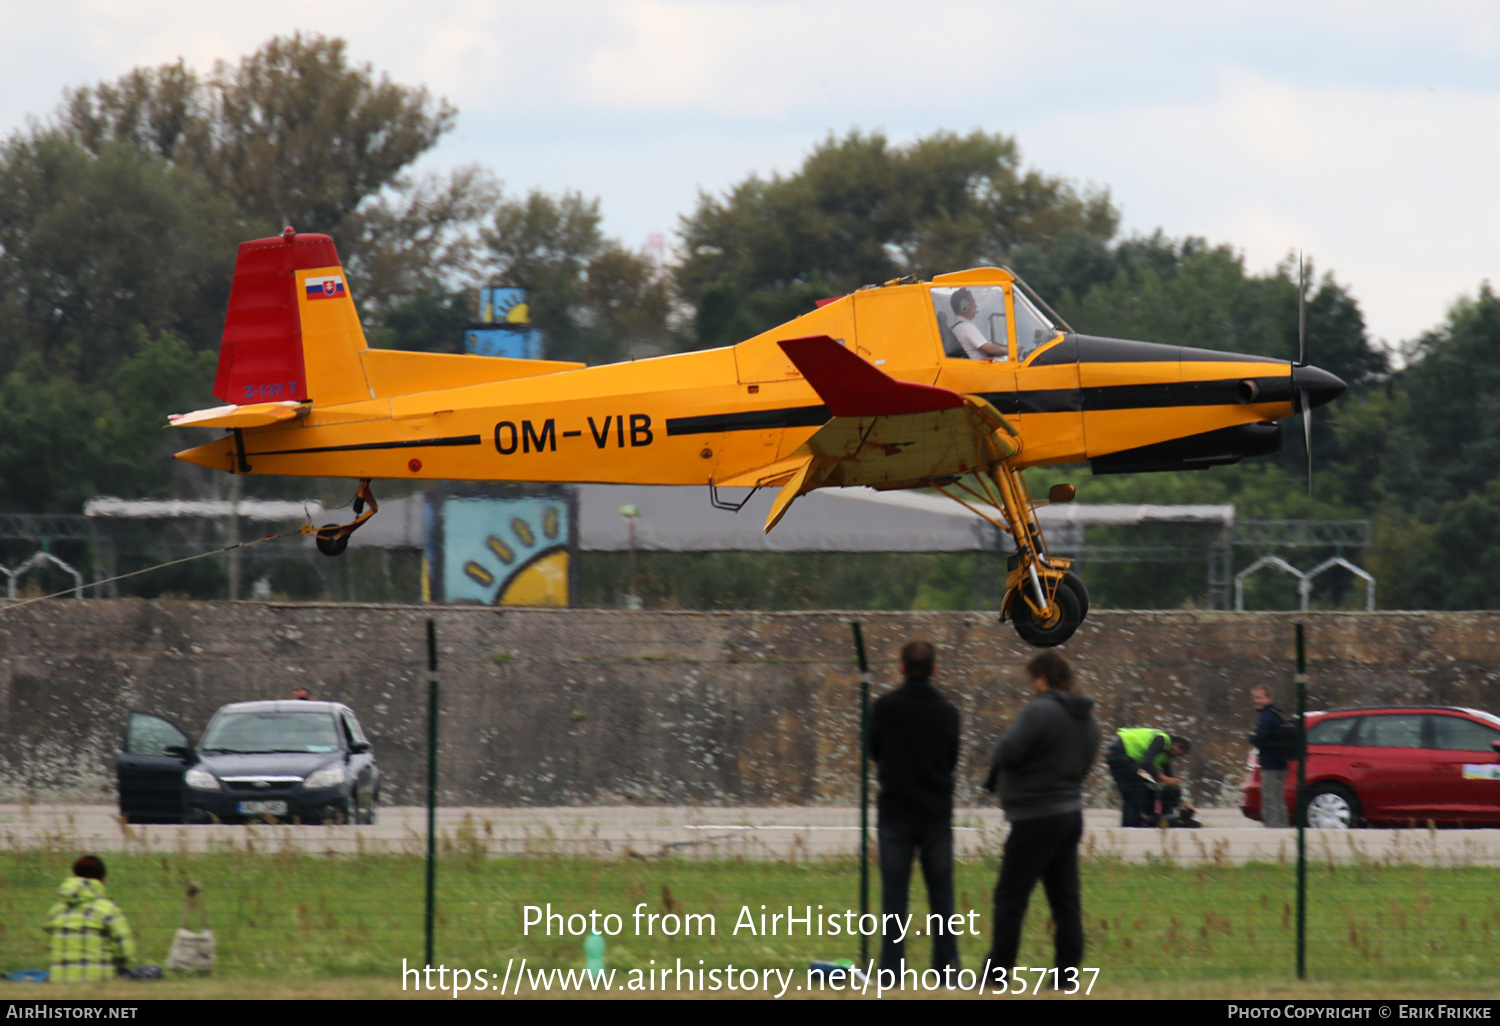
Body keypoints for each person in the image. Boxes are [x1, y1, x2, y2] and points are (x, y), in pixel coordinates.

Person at [984, 650, 1101, 982]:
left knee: (1011, 897)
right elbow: (1087, 760)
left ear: (1042, 677)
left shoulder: (1040, 711)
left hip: (1034, 816)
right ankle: (1066, 973)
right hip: (1069, 812)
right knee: (1065, 900)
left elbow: (1008, 750)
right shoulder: (1088, 718)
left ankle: (998, 972)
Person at [869, 640, 962, 976]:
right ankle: (947, 969)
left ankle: (892, 971)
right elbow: (951, 758)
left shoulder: (883, 708)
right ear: (935, 670)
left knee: (894, 900)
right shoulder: (948, 711)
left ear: (901, 668)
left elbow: (874, 751)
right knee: (942, 900)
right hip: (936, 812)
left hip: (895, 812)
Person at [47, 855, 135, 982]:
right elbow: (124, 949)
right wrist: (120, 965)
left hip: (60, 980)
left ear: (74, 876)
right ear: (103, 881)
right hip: (99, 979)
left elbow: (50, 946)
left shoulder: (55, 911)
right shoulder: (108, 909)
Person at [1104, 728, 1191, 827]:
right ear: (1176, 744)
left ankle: (1131, 825)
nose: (1178, 757)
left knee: (1133, 793)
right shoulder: (1163, 739)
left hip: (1117, 754)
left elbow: (1171, 779)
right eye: (1180, 753)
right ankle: (1132, 826)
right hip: (1120, 752)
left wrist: (1183, 800)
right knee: (1135, 791)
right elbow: (1146, 764)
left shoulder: (1164, 755)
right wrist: (1163, 778)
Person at [1249, 686, 1291, 828]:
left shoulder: (1267, 716)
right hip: (1281, 763)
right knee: (1279, 800)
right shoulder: (1278, 714)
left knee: (1270, 800)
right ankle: (1283, 827)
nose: (1257, 701)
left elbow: (1261, 738)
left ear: (1269, 698)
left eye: (1260, 698)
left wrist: (1252, 738)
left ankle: (1274, 830)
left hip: (1270, 764)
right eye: (1255, 698)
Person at [950, 288, 1006, 360]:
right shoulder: (966, 327)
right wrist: (1010, 351)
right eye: (973, 302)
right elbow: (989, 349)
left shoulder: (957, 326)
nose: (976, 306)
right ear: (964, 306)